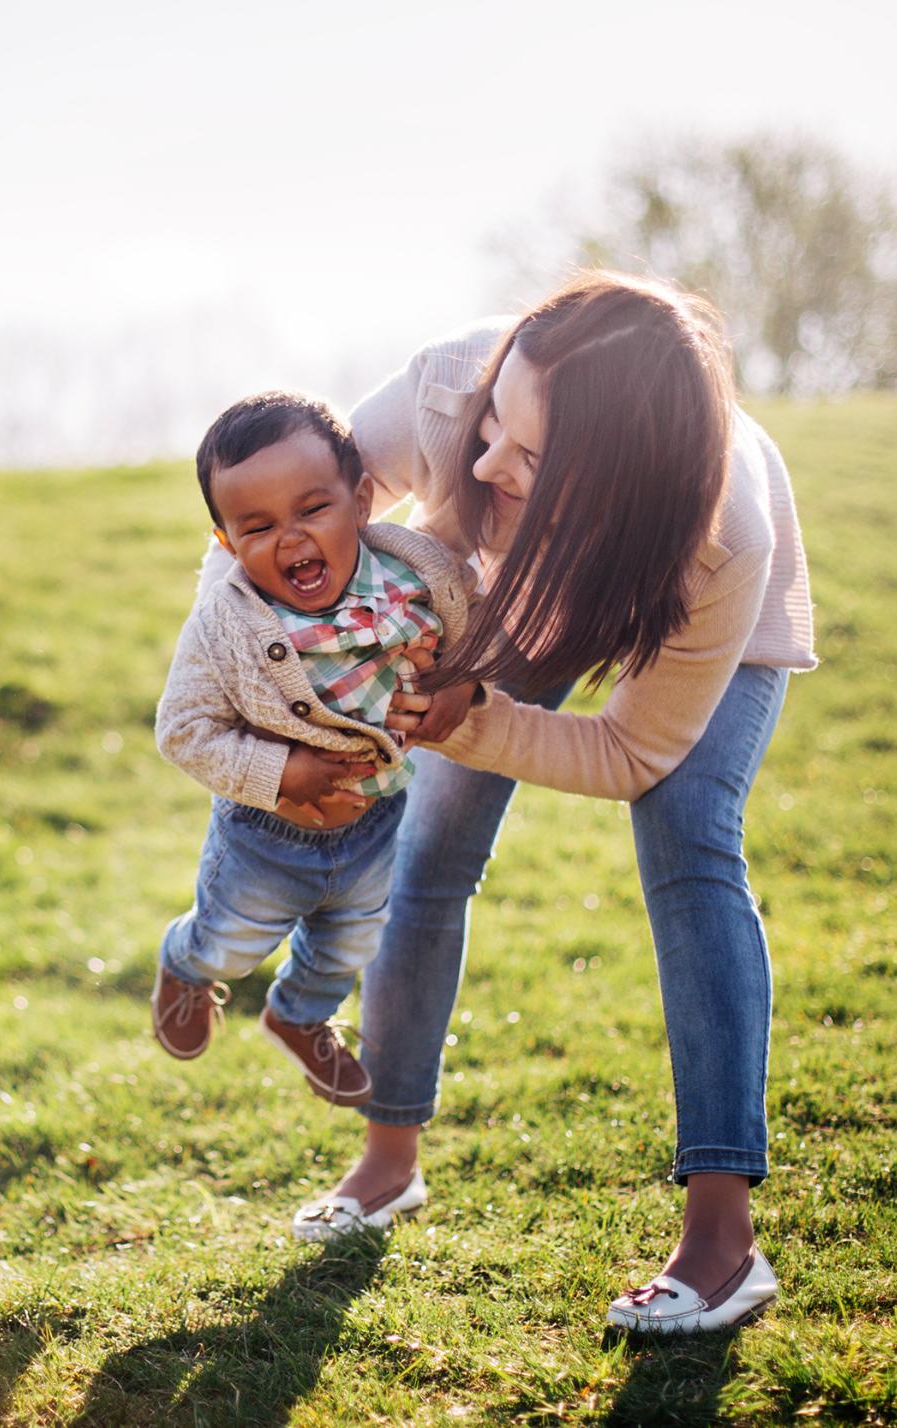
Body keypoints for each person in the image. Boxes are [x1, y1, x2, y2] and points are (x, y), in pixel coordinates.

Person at [277, 272, 814, 1334]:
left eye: (527, 458)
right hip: (515, 597)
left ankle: (722, 1242)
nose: (482, 464)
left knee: (690, 844)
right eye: (493, 425)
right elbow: (303, 523)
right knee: (429, 851)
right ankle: (388, 1163)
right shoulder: (445, 393)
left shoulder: (721, 535)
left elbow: (630, 753)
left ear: (616, 477)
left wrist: (469, 717)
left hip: (689, 616)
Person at [152, 391, 471, 1113]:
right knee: (228, 942)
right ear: (227, 542)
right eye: (258, 526)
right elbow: (182, 730)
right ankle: (184, 964)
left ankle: (297, 1016)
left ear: (361, 500)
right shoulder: (224, 626)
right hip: (266, 837)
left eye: (312, 510)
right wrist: (284, 772)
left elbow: (467, 621)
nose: (290, 538)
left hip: (375, 824)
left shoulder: (418, 571)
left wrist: (463, 680)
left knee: (344, 949)